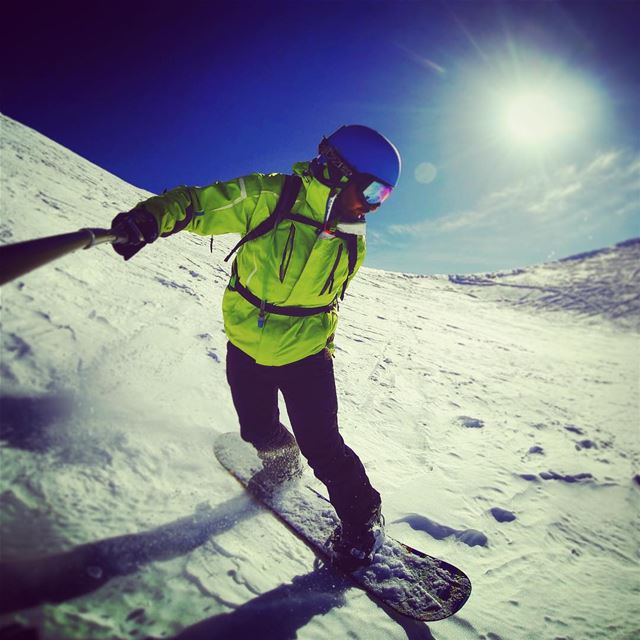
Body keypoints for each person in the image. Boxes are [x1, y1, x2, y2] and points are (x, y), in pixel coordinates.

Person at [110, 125, 401, 571]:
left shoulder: (351, 238)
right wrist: (150, 219)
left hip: (306, 359)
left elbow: (329, 300)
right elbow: (197, 204)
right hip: (246, 348)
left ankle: (363, 523)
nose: (373, 206)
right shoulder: (270, 196)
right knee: (256, 429)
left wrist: (322, 346)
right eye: (372, 191)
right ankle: (282, 465)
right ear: (340, 172)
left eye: (383, 198)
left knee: (324, 447)